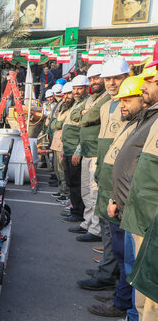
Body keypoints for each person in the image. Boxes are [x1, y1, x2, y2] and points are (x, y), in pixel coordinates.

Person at [88, 76, 148, 321]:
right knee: (128, 264)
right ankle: (130, 317)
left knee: (134, 268)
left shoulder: (147, 121)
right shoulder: (138, 121)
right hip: (123, 204)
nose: (122, 104)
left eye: (128, 99)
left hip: (135, 210)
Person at [116, 64, 158, 321]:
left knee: (152, 308)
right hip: (141, 217)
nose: (146, 85)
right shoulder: (151, 117)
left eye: (153, 80)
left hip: (151, 225)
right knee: (145, 303)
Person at [80, 59, 130, 294]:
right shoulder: (105, 105)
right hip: (104, 169)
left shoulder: (130, 104)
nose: (111, 83)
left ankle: (109, 274)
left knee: (115, 227)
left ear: (127, 76)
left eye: (116, 78)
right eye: (108, 78)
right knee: (106, 224)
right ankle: (108, 268)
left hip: (120, 174)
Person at [76, 64, 110, 243]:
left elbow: (87, 118)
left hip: (97, 151)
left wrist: (86, 115)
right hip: (87, 150)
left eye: (97, 77)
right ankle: (87, 222)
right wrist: (85, 114)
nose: (93, 81)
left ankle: (95, 229)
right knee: (86, 191)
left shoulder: (106, 98)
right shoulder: (92, 98)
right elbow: (76, 115)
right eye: (90, 79)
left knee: (95, 192)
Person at [61, 74, 90, 223]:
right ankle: (75, 209)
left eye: (80, 88)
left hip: (75, 151)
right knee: (71, 182)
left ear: (86, 88)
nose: (76, 92)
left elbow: (84, 131)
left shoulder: (87, 103)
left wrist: (78, 151)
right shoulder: (76, 104)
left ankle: (79, 213)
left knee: (77, 183)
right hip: (68, 149)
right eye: (74, 89)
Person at [49, 83, 74, 203]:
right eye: (65, 94)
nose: (66, 97)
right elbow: (54, 124)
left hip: (63, 143)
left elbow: (58, 124)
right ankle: (61, 190)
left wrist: (55, 124)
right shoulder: (62, 107)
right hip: (56, 141)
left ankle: (66, 192)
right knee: (58, 170)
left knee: (63, 170)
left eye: (69, 94)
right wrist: (55, 124)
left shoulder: (71, 109)